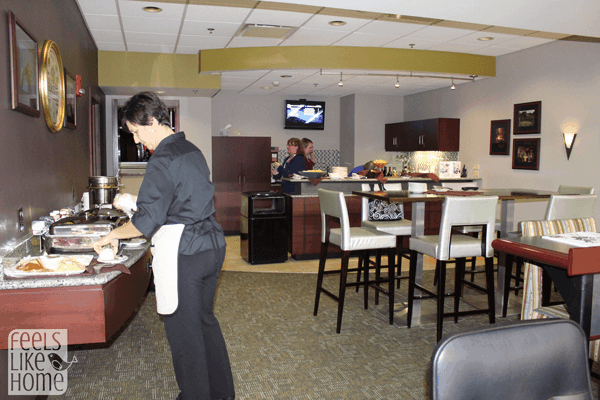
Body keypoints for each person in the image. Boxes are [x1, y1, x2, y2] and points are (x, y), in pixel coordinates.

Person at [93, 91, 234, 400]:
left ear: (152, 122)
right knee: (204, 320)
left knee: (184, 331)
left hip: (187, 253)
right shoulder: (191, 150)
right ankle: (222, 393)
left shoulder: (162, 159)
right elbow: (181, 200)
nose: (137, 139)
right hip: (213, 247)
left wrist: (114, 235)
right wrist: (138, 204)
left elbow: (147, 221)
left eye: (136, 131)